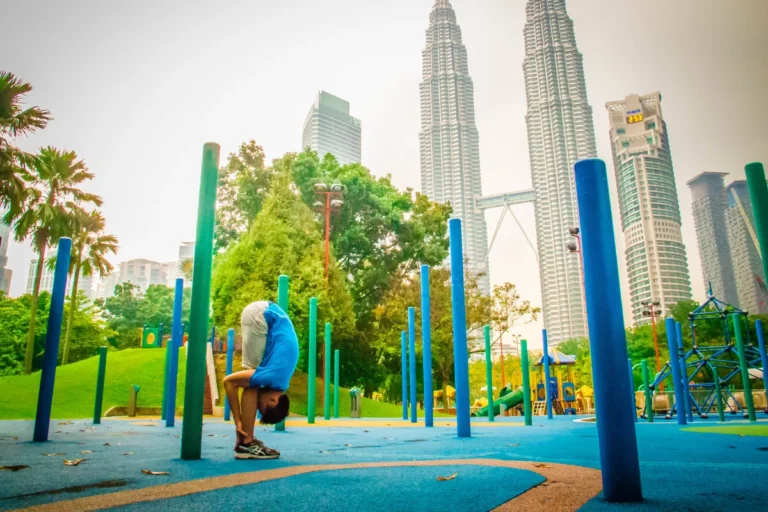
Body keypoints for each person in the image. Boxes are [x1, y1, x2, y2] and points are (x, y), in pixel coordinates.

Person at [223, 301, 299, 460]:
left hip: (266, 312)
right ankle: (247, 441)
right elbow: (229, 382)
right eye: (260, 406)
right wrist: (238, 421)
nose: (256, 404)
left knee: (253, 383)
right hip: (261, 315)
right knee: (252, 385)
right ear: (273, 400)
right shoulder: (272, 376)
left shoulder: (280, 380)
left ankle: (247, 441)